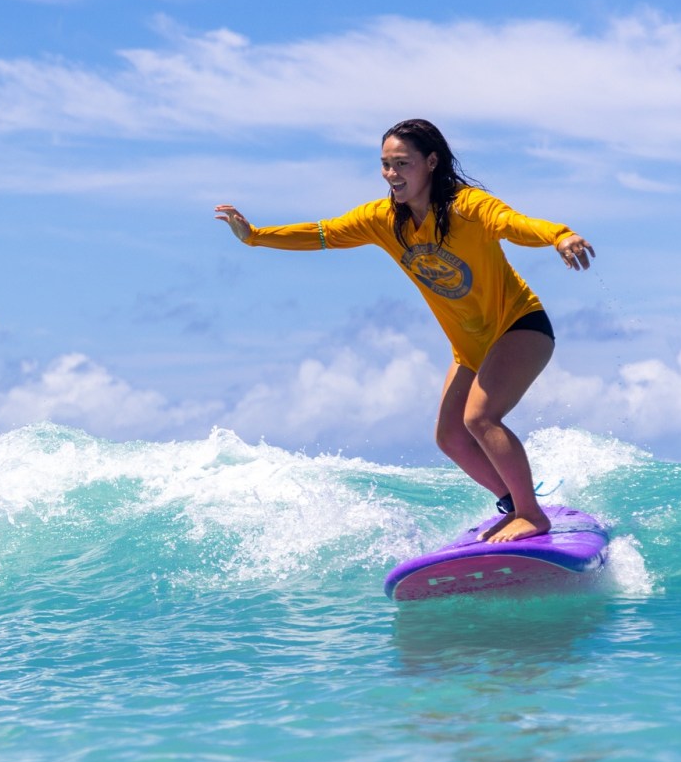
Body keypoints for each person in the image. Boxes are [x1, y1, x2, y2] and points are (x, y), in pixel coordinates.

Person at [214, 119, 596, 544]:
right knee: (450, 436)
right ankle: (514, 502)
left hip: (520, 325)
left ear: (431, 163)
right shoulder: (382, 219)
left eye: (402, 163)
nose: (392, 174)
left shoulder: (467, 207)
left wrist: (560, 236)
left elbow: (513, 223)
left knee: (480, 417)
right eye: (385, 165)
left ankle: (531, 513)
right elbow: (323, 233)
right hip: (470, 346)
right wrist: (255, 236)